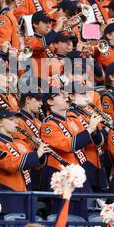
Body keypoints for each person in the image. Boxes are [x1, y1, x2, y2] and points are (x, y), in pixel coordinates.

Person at [40, 87, 102, 218]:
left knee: (81, 222)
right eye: (61, 95)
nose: (66, 96)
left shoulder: (74, 120)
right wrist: (90, 128)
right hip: (61, 180)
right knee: (64, 221)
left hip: (79, 179)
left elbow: (96, 142)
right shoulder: (48, 125)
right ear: (50, 101)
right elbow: (67, 146)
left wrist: (95, 129)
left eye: (66, 94)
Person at [0, 107, 50, 214]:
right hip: (8, 195)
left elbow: (36, 165)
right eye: (11, 119)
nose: (16, 122)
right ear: (0, 122)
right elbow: (10, 164)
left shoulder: (20, 142)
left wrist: (40, 150)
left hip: (26, 191)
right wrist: (37, 154)